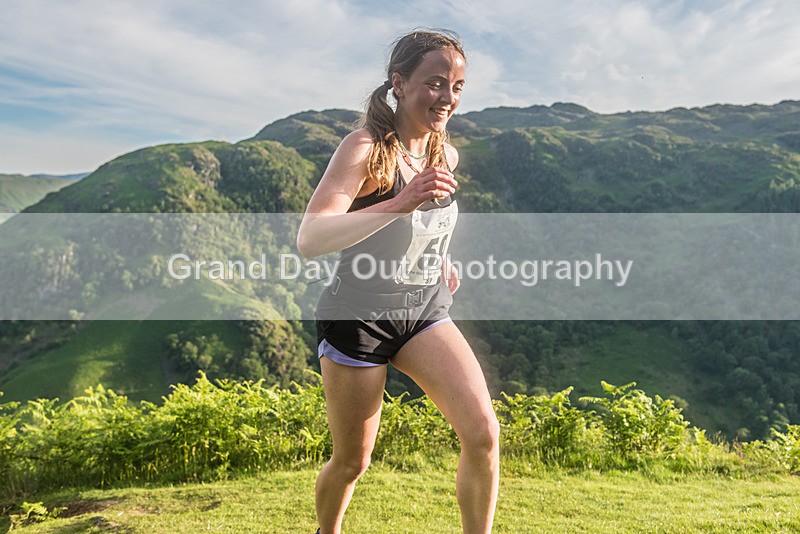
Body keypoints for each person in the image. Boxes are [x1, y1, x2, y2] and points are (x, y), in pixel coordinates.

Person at [296, 29, 500, 534]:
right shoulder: (365, 148)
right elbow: (311, 237)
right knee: (352, 462)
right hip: (359, 319)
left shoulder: (443, 154)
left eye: (457, 87)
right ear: (399, 83)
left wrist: (439, 256)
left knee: (482, 435)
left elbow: (430, 223)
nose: (447, 98)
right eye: (434, 84)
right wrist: (398, 203)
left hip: (425, 310)